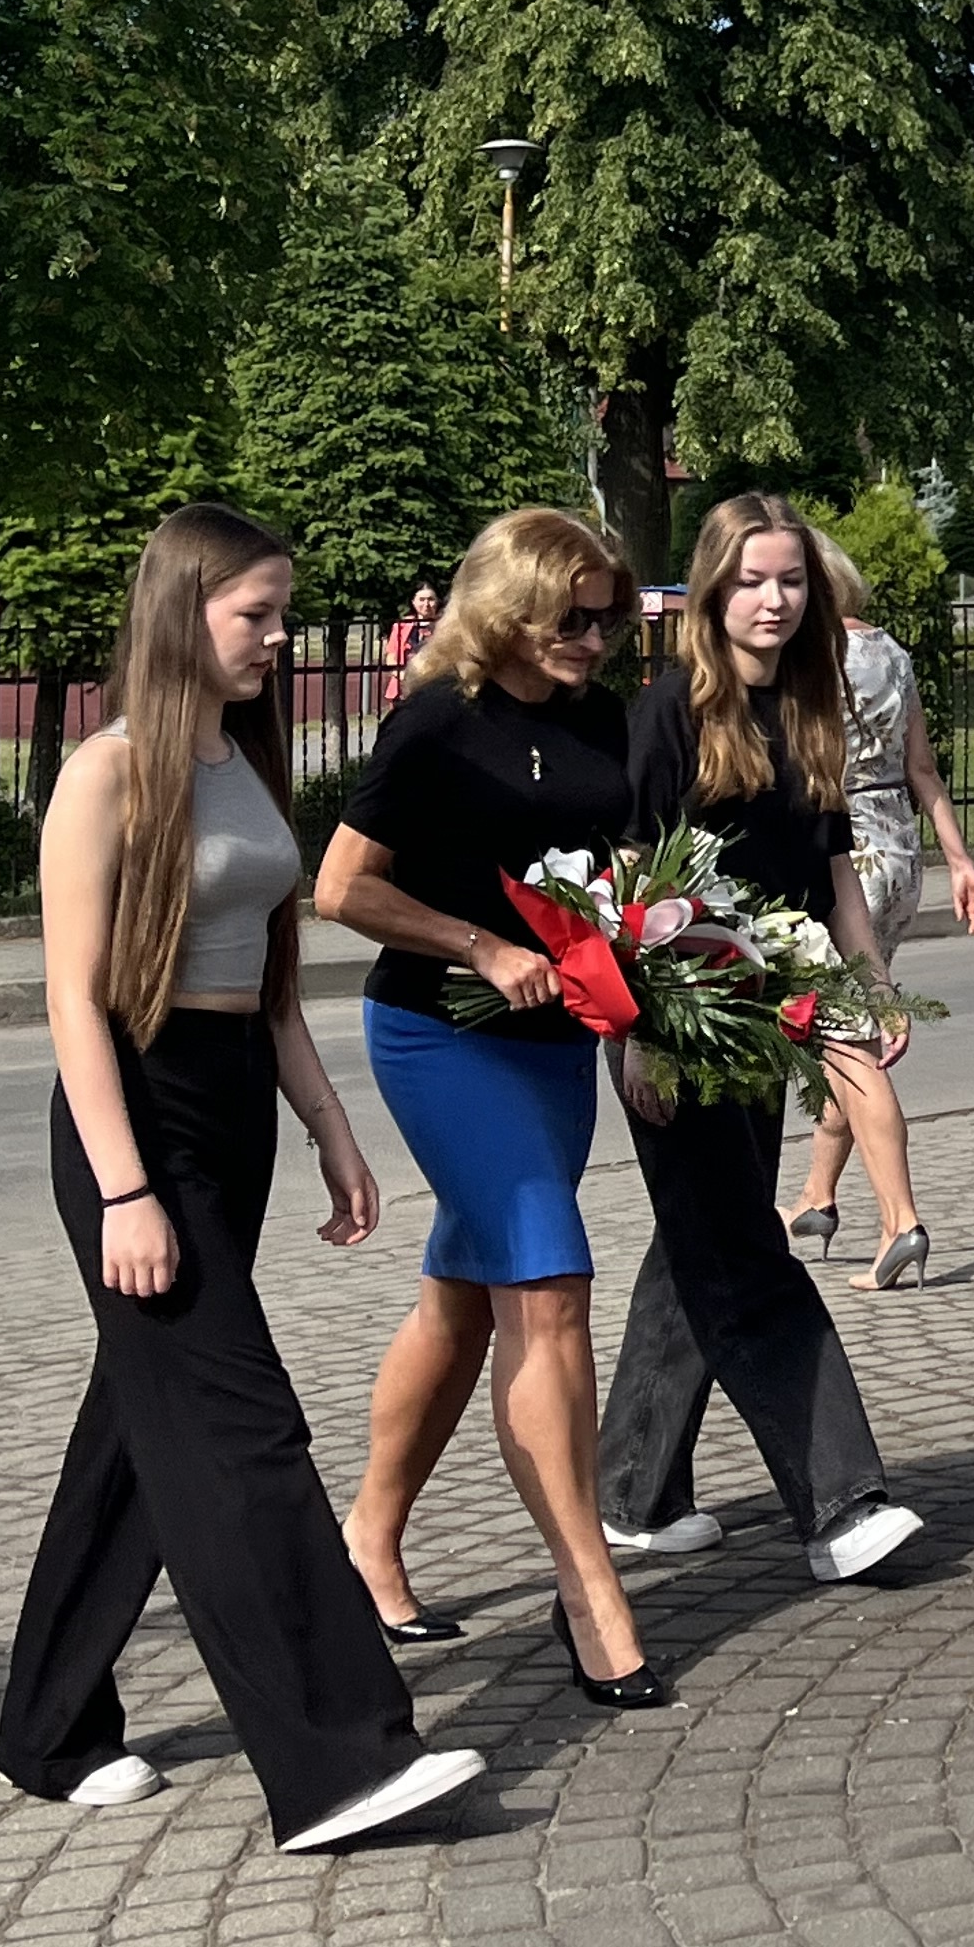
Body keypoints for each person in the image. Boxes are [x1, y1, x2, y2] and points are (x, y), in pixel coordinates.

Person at [0, 501, 485, 1851]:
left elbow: (271, 986)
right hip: (137, 1115)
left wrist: (329, 1127)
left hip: (233, 1109)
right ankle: (340, 1764)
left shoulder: (245, 754)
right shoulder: (105, 773)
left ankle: (45, 1728)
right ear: (182, 610)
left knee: (142, 1427)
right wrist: (125, 1191)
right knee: (243, 1428)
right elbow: (73, 1002)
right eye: (255, 614)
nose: (278, 637)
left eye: (282, 613)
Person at [320, 508, 666, 1712]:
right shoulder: (435, 721)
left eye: (608, 618)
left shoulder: (599, 717)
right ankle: (590, 1592)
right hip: (441, 1035)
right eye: (573, 616)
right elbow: (341, 888)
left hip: (555, 1045)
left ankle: (367, 1537)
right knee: (550, 1286)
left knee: (466, 1299)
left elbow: (614, 879)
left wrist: (645, 993)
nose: (594, 637)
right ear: (512, 606)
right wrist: (478, 944)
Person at [596, 493, 924, 1587]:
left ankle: (633, 1494)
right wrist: (639, 1033)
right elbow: (628, 882)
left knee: (699, 1239)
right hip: (674, 1014)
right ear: (711, 591)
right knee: (741, 1249)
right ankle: (841, 1500)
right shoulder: (667, 713)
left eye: (789, 580)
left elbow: (831, 870)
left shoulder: (811, 707)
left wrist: (870, 988)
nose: (772, 601)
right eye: (750, 581)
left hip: (762, 1015)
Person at [786, 535, 974, 1293]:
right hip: (897, 850)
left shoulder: (808, 656)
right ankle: (817, 1197)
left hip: (838, 853)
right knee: (849, 1031)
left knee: (847, 1048)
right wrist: (960, 859)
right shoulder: (892, 653)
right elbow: (923, 768)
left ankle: (900, 1222)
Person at [381, 584, 439, 706]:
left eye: (430, 599)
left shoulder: (444, 626)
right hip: (402, 688)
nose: (426, 604)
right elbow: (391, 657)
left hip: (433, 686)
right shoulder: (402, 626)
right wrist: (402, 676)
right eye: (421, 600)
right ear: (413, 602)